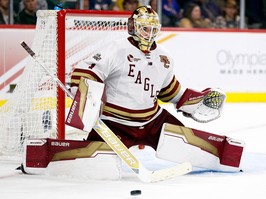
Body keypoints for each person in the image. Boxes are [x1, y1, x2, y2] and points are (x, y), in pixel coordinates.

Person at [69, 5, 245, 175]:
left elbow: (169, 91)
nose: (150, 34)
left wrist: (192, 101)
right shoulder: (116, 49)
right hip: (115, 122)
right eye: (145, 29)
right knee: (94, 162)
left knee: (187, 142)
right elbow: (88, 72)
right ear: (133, 27)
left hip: (153, 120)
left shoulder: (164, 56)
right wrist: (83, 92)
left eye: (153, 29)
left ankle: (226, 156)